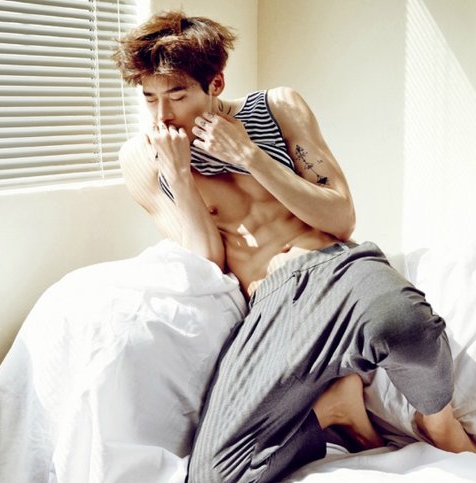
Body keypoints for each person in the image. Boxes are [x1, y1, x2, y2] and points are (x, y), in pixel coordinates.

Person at [112, 11, 476, 482]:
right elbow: (207, 261)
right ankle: (331, 409)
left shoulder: (277, 107)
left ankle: (436, 418)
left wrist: (249, 155)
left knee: (407, 326)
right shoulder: (143, 158)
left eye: (177, 95)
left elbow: (341, 218)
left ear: (215, 83)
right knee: (215, 476)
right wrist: (178, 175)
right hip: (272, 301)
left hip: (338, 265)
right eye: (149, 97)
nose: (162, 114)